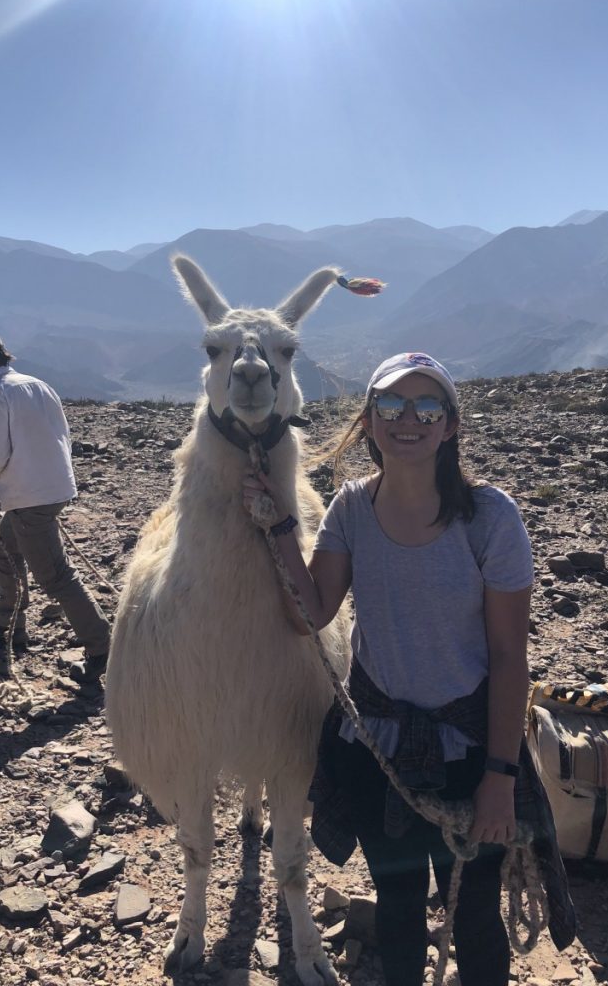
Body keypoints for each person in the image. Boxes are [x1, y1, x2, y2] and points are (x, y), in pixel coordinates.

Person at [243, 352, 575, 986]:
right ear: (369, 421)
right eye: (392, 406)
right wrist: (281, 527)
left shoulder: (491, 518)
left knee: (474, 911)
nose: (408, 420)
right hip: (379, 747)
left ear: (451, 425)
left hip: (470, 750)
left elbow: (510, 657)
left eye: (427, 408)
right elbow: (310, 614)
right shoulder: (350, 509)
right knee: (396, 901)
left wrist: (500, 778)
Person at [0, 330, 110, 682]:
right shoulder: (38, 385)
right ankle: (9, 625)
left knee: (56, 576)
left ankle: (101, 648)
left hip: (29, 497)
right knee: (5, 550)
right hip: (54, 488)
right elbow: (60, 435)